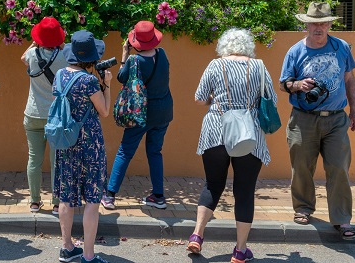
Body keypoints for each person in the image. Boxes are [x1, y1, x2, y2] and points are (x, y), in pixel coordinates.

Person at [187, 28, 276, 263]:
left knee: (213, 184)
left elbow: (199, 98)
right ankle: (239, 250)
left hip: (216, 131)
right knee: (244, 191)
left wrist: (216, 99)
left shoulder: (215, 65)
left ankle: (197, 235)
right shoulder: (258, 66)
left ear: (223, 46)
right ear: (248, 47)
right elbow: (272, 99)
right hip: (249, 133)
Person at [279, 2, 355, 241]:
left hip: (336, 118)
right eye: (314, 23)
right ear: (306, 25)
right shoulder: (295, 51)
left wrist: (354, 110)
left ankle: (342, 218)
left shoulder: (342, 48)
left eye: (323, 23)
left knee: (338, 167)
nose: (318, 27)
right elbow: (283, 84)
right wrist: (298, 85)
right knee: (302, 165)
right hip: (303, 118)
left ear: (329, 24)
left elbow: (350, 80)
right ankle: (303, 209)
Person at [101, 20, 173, 210]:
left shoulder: (135, 60)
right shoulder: (162, 54)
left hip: (142, 113)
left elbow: (121, 78)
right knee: (155, 152)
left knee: (125, 151)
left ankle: (109, 196)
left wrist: (124, 55)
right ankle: (159, 196)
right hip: (163, 111)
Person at [54, 30, 112, 263]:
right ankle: (88, 256)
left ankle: (67, 247)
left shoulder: (59, 75)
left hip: (66, 142)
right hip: (89, 143)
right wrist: (106, 84)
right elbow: (105, 111)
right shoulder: (89, 81)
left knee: (66, 197)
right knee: (92, 199)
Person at [20, 17, 68, 215]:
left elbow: (23, 58)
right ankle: (57, 203)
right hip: (56, 115)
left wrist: (34, 44)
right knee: (57, 160)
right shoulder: (64, 55)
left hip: (33, 113)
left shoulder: (32, 54)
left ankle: (34, 201)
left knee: (34, 160)